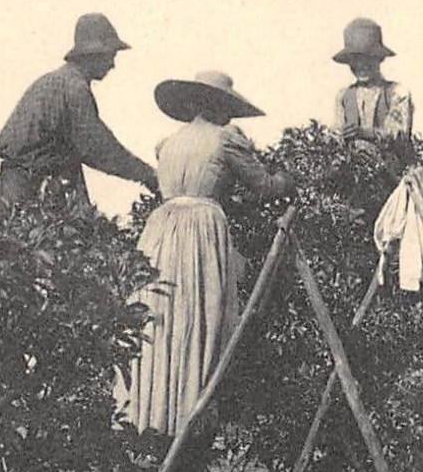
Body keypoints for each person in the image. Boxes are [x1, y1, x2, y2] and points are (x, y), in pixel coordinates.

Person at [115, 70, 293, 436]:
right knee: (200, 313)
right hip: (200, 231)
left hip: (160, 231)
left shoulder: (168, 144)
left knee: (161, 318)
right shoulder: (224, 140)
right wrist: (289, 180)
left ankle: (152, 414)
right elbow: (263, 187)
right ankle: (188, 416)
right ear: (216, 105)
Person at [0, 13, 158, 214]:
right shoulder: (74, 87)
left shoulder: (53, 81)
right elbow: (97, 146)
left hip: (12, 188)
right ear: (94, 54)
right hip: (31, 191)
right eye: (110, 56)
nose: (112, 65)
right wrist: (147, 174)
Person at [333, 18, 414, 144]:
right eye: (355, 59)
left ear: (379, 58)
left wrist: (365, 133)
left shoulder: (397, 93)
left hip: (390, 162)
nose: (361, 65)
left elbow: (399, 134)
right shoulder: (343, 96)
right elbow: (337, 133)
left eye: (368, 58)